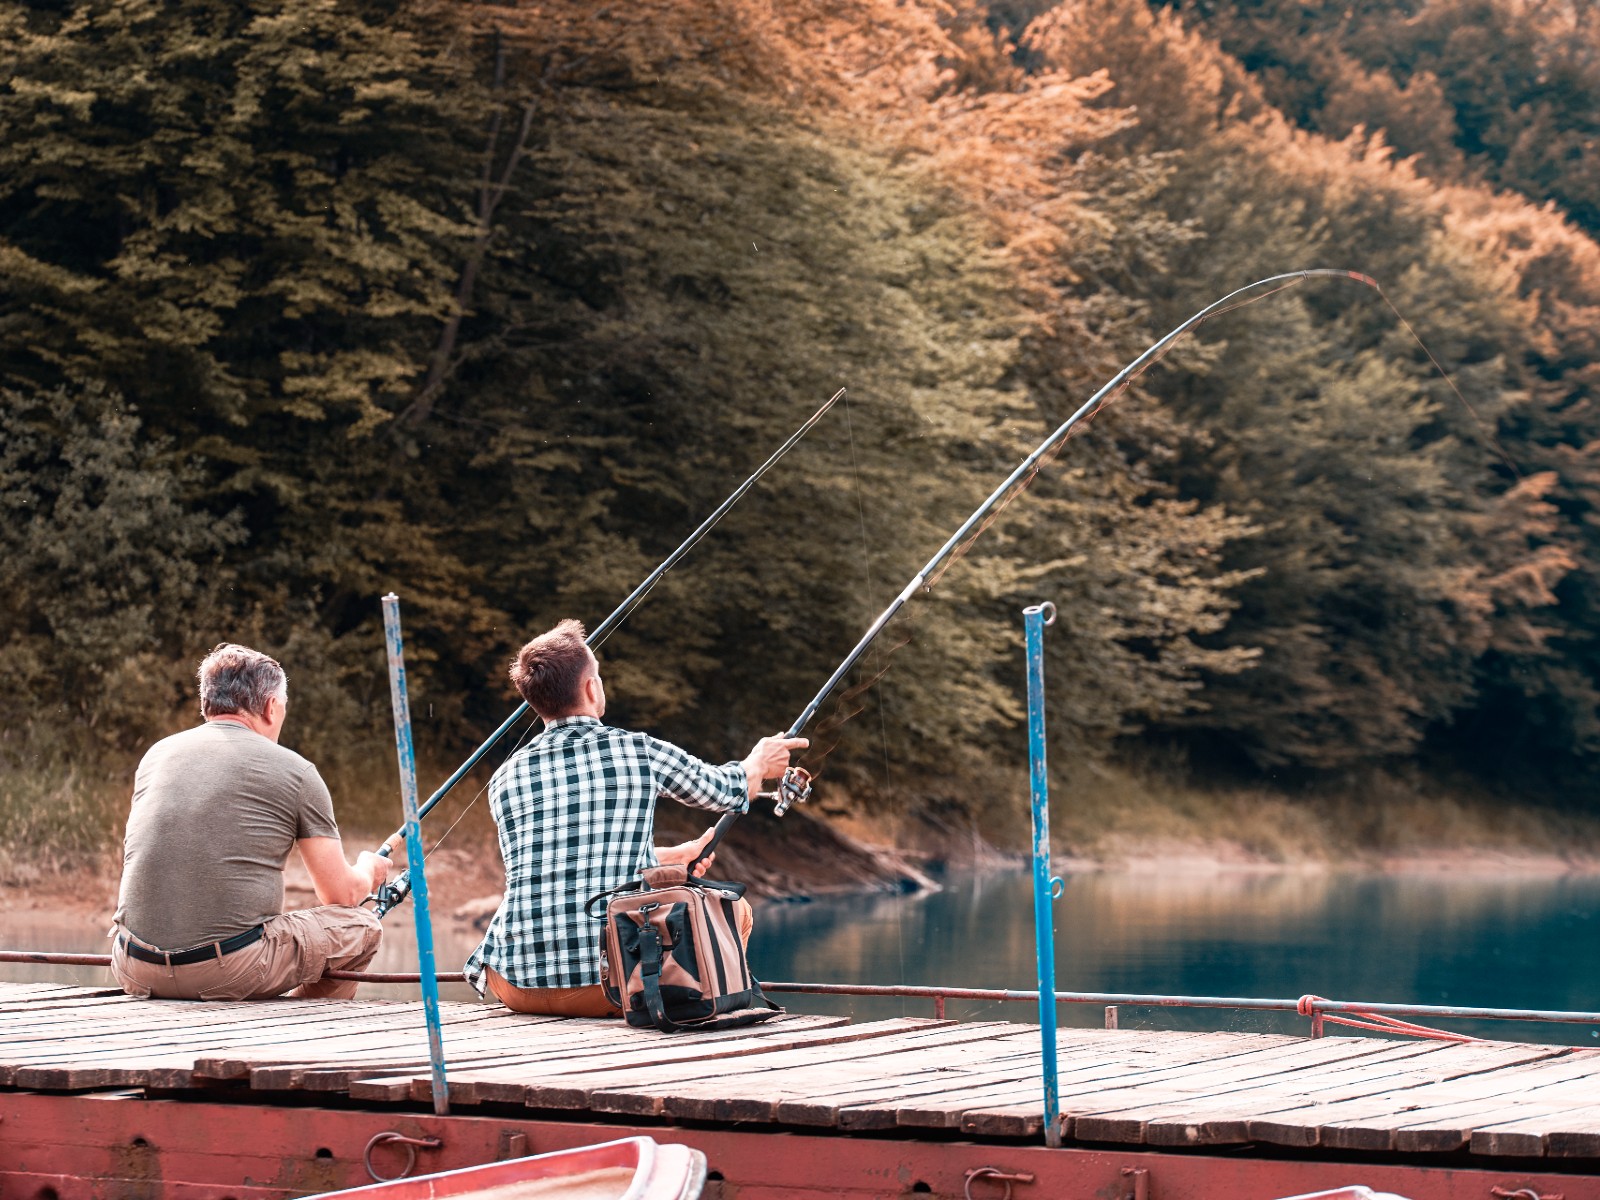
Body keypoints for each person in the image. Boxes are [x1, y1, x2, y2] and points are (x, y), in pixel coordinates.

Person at [465, 619, 807, 1017]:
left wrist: (668, 857)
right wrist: (759, 761)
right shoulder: (637, 752)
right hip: (607, 987)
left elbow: (561, 859)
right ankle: (700, 1003)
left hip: (514, 984)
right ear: (592, 688)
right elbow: (727, 790)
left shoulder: (504, 777)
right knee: (735, 909)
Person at [109, 643, 391, 1001]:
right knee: (362, 927)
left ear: (207, 702)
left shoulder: (157, 755)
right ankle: (307, 1027)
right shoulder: (297, 772)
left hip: (134, 966)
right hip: (228, 972)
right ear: (272, 707)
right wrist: (369, 868)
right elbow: (342, 895)